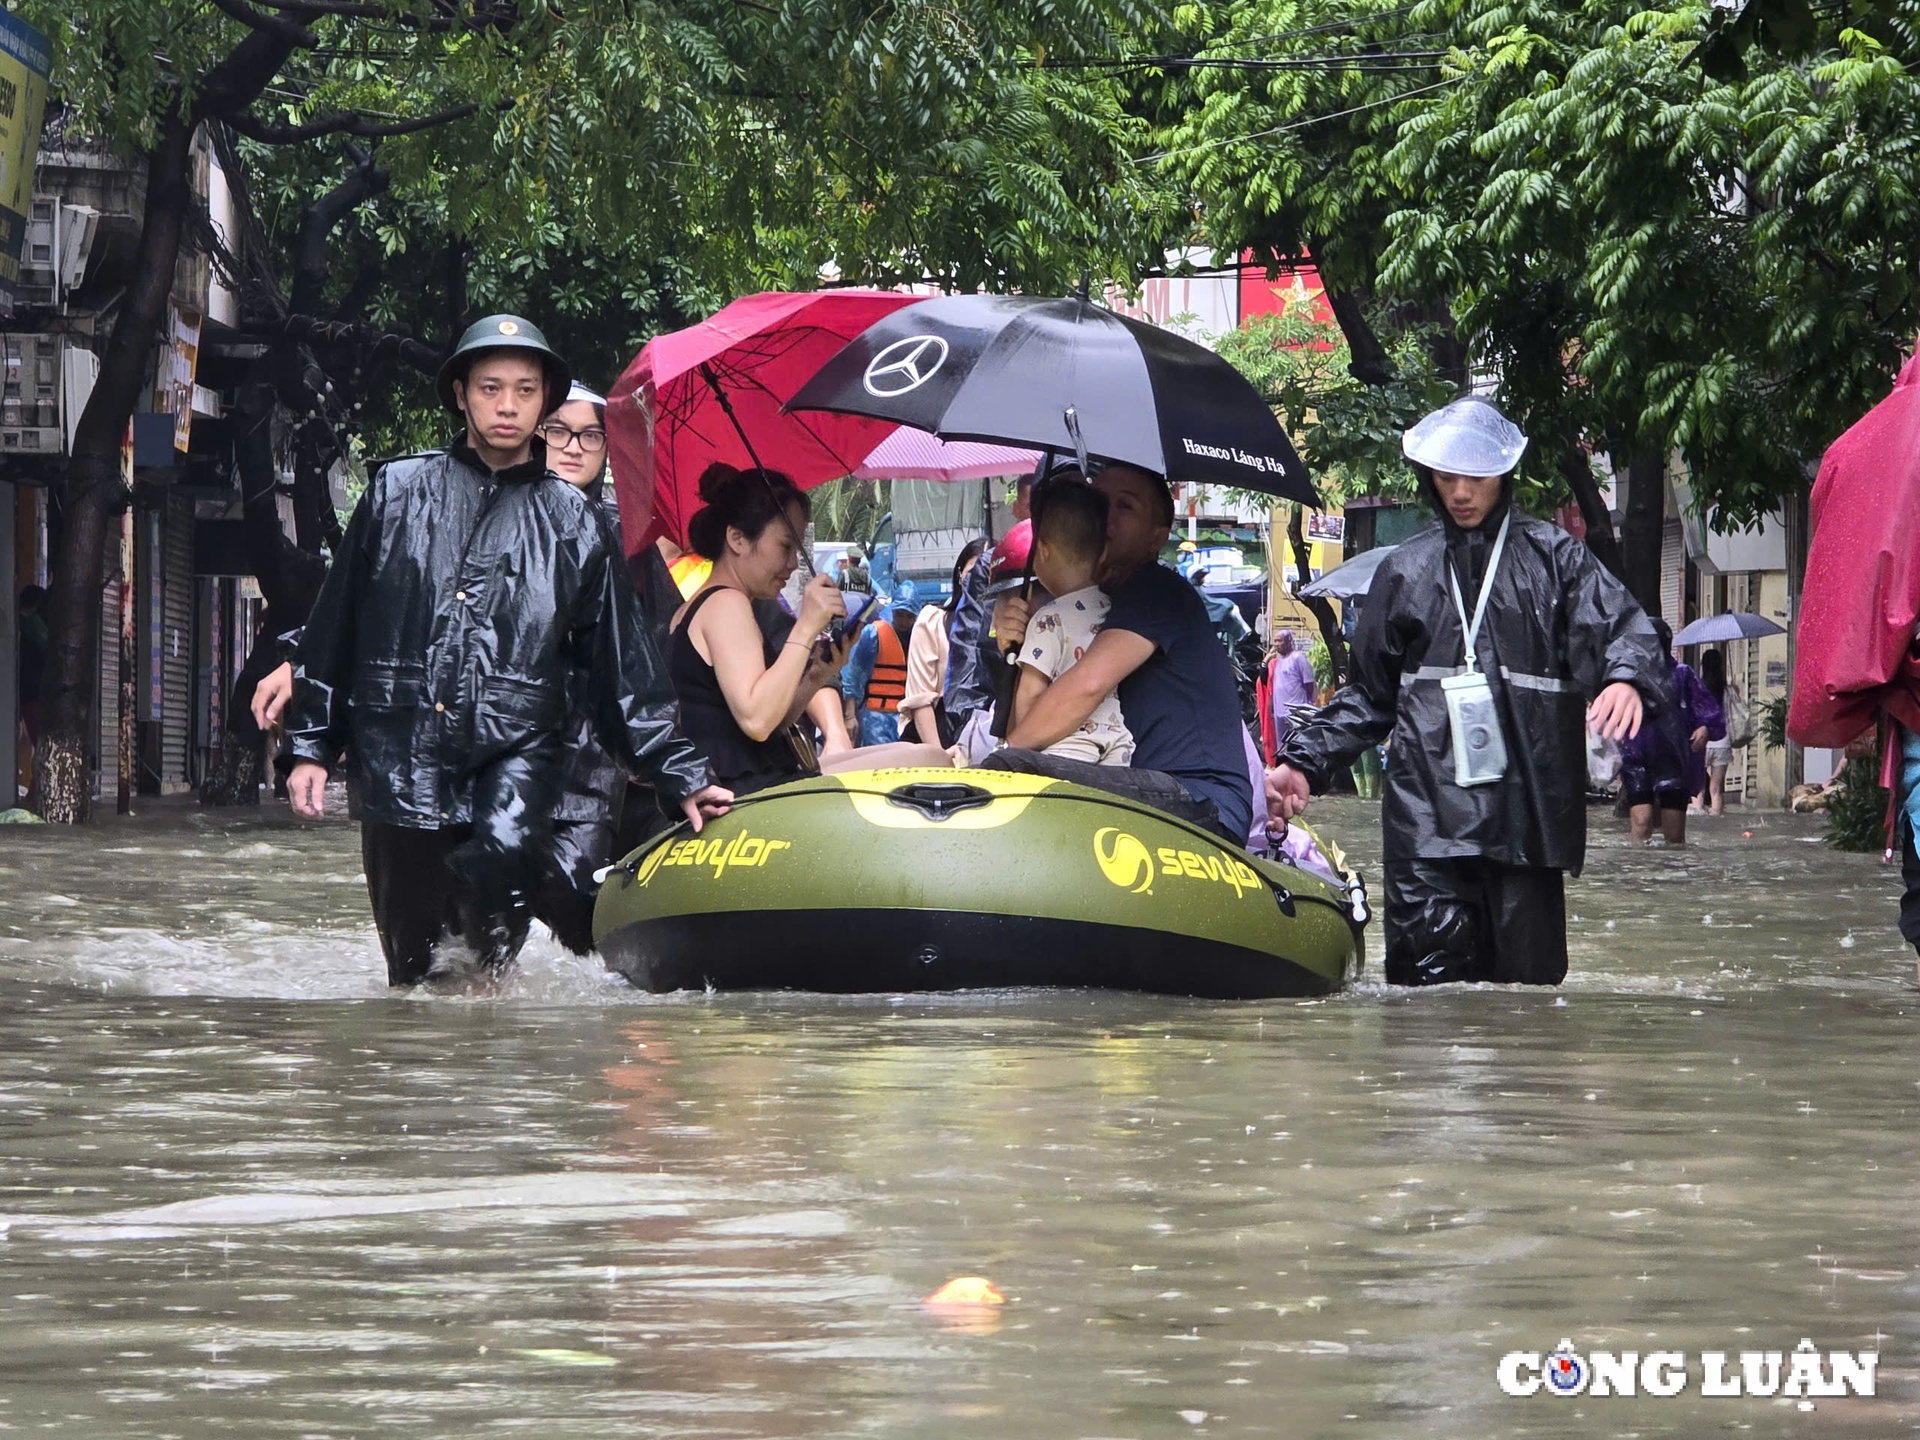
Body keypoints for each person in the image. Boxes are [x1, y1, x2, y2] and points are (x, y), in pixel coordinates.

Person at [281, 315, 730, 986]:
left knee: (496, 892)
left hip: (517, 753)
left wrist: (679, 774)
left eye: (526, 390)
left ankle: (502, 1044)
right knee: (414, 975)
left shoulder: (576, 522)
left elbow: (622, 667)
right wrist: (310, 747)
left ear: (544, 401)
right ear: (461, 394)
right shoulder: (395, 493)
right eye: (491, 388)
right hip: (402, 755)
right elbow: (336, 628)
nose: (508, 406)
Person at [1266, 397, 1665, 987]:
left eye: (1474, 477)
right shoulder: (1404, 571)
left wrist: (1627, 676)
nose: (1460, 492)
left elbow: (1625, 626)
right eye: (1447, 477)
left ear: (1503, 474)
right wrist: (1303, 762)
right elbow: (1370, 696)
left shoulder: (1556, 561)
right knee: (1424, 1011)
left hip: (1524, 824)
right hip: (1426, 826)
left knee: (1525, 1013)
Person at [992, 464, 1254, 846]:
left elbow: (1087, 686)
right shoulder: (1089, 609)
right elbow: (1031, 719)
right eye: (1098, 503)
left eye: (1125, 507)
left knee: (1008, 768)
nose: (1105, 517)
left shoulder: (1156, 589)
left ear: (1156, 538)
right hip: (1139, 785)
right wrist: (1016, 648)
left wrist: (1002, 762)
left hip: (1201, 800)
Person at [669, 464, 947, 795]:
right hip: (744, 792)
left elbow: (769, 721)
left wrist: (816, 675)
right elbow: (757, 722)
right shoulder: (727, 604)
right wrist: (806, 626)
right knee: (930, 758)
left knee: (921, 755)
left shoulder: (706, 605)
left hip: (753, 777)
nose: (791, 563)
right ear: (737, 539)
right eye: (786, 546)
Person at [1008, 479, 1133, 765]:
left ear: (1042, 549)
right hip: (1118, 743)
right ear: (1103, 553)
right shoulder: (1116, 610)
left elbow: (1030, 695)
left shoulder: (1047, 619)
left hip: (1066, 748)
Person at [1620, 619, 1723, 845]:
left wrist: (1705, 727)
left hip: (1674, 759)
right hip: (1637, 757)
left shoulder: (1683, 674)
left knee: (1674, 837)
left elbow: (1710, 712)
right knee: (1641, 824)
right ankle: (1640, 875)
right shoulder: (1629, 676)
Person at [900, 538, 988, 748]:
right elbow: (920, 699)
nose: (980, 581)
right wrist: (939, 756)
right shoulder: (933, 622)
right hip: (938, 743)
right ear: (959, 575)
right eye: (973, 573)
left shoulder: (1006, 627)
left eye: (988, 576)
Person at [842, 581, 917, 747]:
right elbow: (853, 677)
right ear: (893, 610)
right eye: (900, 614)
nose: (904, 620)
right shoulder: (874, 634)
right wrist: (850, 716)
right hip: (875, 718)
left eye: (909, 615)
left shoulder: (919, 636)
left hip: (907, 718)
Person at [1693, 648, 1738, 815]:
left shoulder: (1697, 690)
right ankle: (1716, 817)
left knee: (1698, 788)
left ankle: (1699, 819)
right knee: (1717, 790)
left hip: (1700, 742)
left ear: (1703, 666)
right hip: (1722, 742)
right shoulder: (1727, 690)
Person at [1268, 628, 1317, 750]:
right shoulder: (1279, 661)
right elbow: (1277, 684)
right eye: (1275, 641)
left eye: (1279, 641)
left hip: (1295, 712)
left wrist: (1309, 703)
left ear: (1289, 641)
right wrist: (1271, 705)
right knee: (1282, 745)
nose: (1276, 644)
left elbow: (1309, 683)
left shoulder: (1298, 658)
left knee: (1296, 744)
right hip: (1280, 712)